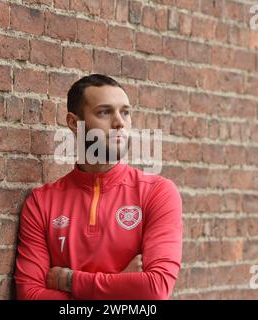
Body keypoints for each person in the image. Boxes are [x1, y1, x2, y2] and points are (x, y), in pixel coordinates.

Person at [14, 74, 183, 299]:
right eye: (104, 112)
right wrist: (121, 282)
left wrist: (70, 280)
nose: (119, 122)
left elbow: (155, 288)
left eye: (125, 112)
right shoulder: (42, 202)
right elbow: (30, 295)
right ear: (74, 123)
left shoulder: (157, 193)